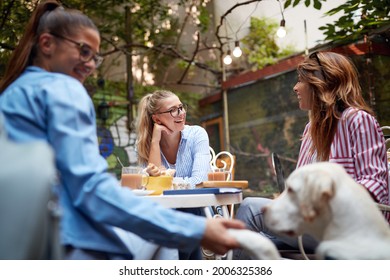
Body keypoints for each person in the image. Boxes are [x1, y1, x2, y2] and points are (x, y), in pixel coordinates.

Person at [0, 0, 245, 260]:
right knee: (169, 240)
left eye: (95, 57)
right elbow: (90, 189)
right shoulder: (63, 89)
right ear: (47, 44)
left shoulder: (12, 94)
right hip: (61, 242)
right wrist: (197, 230)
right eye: (84, 51)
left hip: (18, 243)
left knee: (168, 235)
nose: (91, 65)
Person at [233, 51, 390, 259]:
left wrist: (324, 201)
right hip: (314, 226)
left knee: (250, 209)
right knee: (254, 236)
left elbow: (376, 184)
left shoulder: (357, 120)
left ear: (321, 83)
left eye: (301, 81)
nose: (295, 88)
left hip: (350, 231)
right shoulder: (311, 129)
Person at [131, 89, 211, 259]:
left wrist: (167, 182)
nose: (181, 113)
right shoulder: (145, 143)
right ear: (156, 118)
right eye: (173, 110)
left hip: (199, 207)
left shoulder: (197, 134)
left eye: (181, 107)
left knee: (178, 217)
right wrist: (155, 141)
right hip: (166, 211)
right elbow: (151, 188)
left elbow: (199, 182)